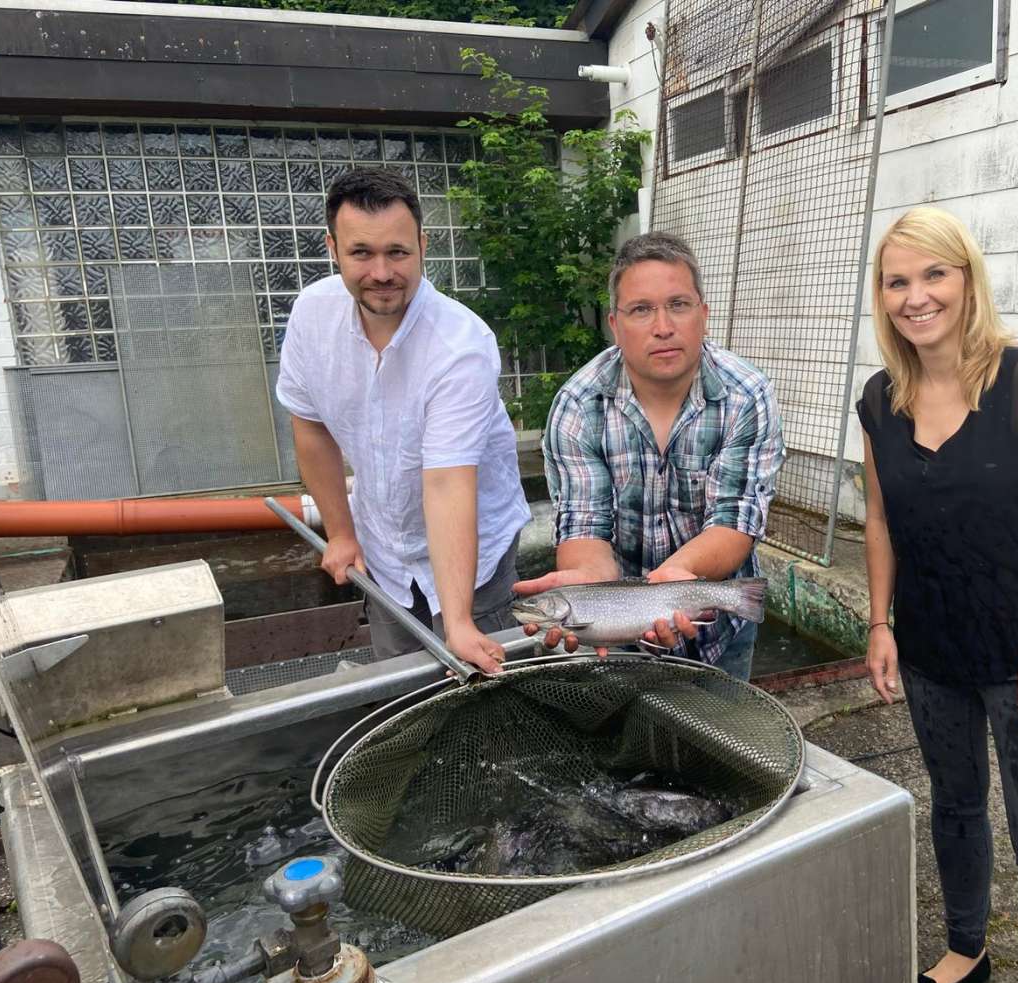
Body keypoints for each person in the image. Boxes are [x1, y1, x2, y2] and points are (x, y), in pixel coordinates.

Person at [857, 207, 1018, 983]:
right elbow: (879, 521)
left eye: (934, 275)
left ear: (966, 280)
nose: (916, 297)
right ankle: (966, 951)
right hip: (931, 650)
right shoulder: (879, 400)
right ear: (882, 297)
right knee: (954, 808)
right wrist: (879, 623)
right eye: (897, 282)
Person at [276, 168, 530, 673]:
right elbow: (311, 426)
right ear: (332, 248)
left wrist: (458, 622)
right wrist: (341, 533)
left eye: (397, 252)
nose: (382, 272)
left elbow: (447, 482)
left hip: (473, 555)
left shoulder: (460, 345)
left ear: (422, 246)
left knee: (480, 685)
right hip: (383, 549)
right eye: (361, 253)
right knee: (400, 684)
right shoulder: (312, 315)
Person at [516, 232, 784, 680]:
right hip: (616, 632)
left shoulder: (746, 395)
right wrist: (588, 581)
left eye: (678, 304)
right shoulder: (578, 405)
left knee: (720, 726)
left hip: (719, 624)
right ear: (615, 325)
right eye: (641, 309)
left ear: (704, 314)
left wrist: (672, 582)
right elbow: (585, 525)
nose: (663, 326)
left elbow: (734, 520)